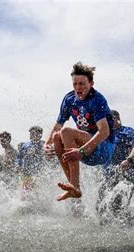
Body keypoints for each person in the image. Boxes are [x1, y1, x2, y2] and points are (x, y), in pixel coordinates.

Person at [44, 62, 115, 201]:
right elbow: (58, 125)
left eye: (82, 84)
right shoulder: (69, 99)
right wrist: (46, 144)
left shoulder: (97, 99)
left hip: (104, 148)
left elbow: (104, 132)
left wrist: (81, 151)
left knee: (66, 132)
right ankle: (73, 188)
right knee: (56, 136)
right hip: (85, 150)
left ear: (91, 84)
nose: (78, 88)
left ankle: (75, 185)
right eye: (75, 84)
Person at [96, 110, 134, 216]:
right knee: (99, 207)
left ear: (117, 119)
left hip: (127, 175)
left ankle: (124, 229)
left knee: (116, 206)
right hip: (108, 175)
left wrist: (129, 159)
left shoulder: (127, 131)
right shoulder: (105, 134)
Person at [17, 126, 45, 199]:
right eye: (30, 133)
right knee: (24, 192)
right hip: (26, 171)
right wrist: (18, 165)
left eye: (33, 133)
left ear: (40, 135)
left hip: (38, 172)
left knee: (35, 191)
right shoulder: (25, 145)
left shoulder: (43, 145)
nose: (31, 135)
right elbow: (19, 157)